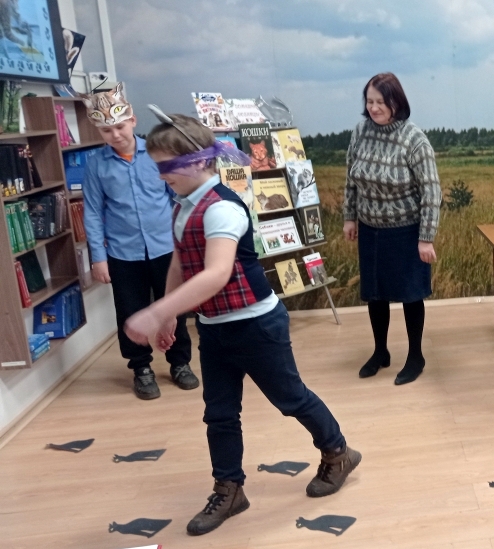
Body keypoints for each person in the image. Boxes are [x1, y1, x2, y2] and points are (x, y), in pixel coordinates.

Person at [125, 111, 360, 536]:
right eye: (157, 166)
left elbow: (216, 274)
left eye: (168, 166)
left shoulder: (222, 210)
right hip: (214, 328)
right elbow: (180, 262)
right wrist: (170, 312)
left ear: (199, 160)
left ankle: (337, 452)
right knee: (219, 413)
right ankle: (229, 488)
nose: (161, 176)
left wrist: (155, 312)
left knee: (291, 398)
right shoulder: (182, 206)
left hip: (256, 326)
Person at [80, 83, 197, 400]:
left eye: (119, 126)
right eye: (106, 130)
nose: (115, 134)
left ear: (132, 120)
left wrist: (186, 240)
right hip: (123, 253)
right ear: (99, 131)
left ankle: (180, 362)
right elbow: (93, 212)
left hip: (165, 247)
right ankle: (141, 368)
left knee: (173, 305)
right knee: (130, 311)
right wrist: (98, 257)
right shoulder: (96, 165)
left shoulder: (157, 154)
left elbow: (179, 196)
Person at [342, 72, 442, 385]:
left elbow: (431, 191)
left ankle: (416, 356)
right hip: (370, 229)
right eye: (369, 101)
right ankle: (380, 351)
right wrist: (349, 217)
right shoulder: (360, 132)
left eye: (380, 102)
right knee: (376, 294)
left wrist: (426, 238)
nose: (373, 108)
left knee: (411, 295)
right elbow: (350, 178)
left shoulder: (414, 139)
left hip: (406, 231)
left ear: (396, 102)